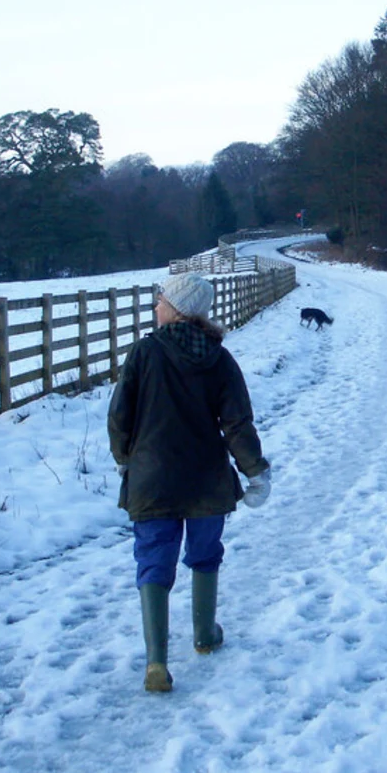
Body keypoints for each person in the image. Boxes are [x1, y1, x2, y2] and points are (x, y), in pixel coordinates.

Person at [107, 273, 272, 692]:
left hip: (152, 477)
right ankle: (203, 635)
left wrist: (125, 459)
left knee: (153, 559)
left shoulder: (144, 353)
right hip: (207, 480)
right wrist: (254, 470)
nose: (156, 305)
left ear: (177, 308)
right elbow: (237, 423)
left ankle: (156, 661)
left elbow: (120, 415)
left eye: (161, 299)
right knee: (204, 554)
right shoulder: (219, 358)